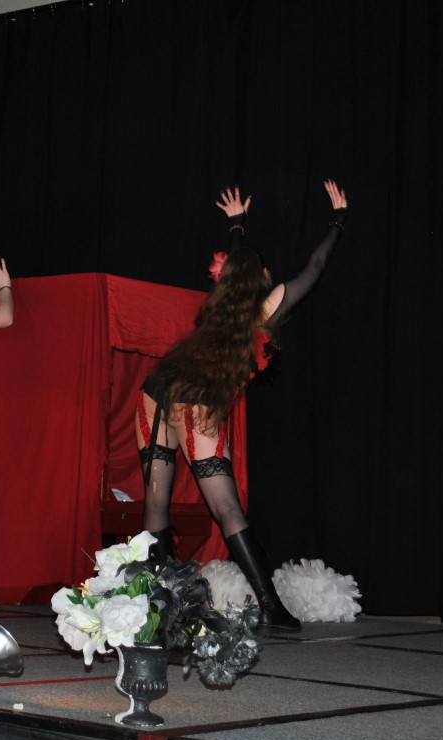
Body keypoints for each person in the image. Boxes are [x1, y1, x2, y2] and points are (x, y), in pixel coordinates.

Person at [136, 181, 348, 631]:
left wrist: (236, 227)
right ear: (263, 278)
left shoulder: (217, 309)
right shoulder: (265, 309)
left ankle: (162, 605)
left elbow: (233, 271)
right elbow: (315, 266)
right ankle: (270, 606)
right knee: (227, 508)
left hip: (156, 391)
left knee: (156, 501)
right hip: (192, 396)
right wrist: (338, 221)